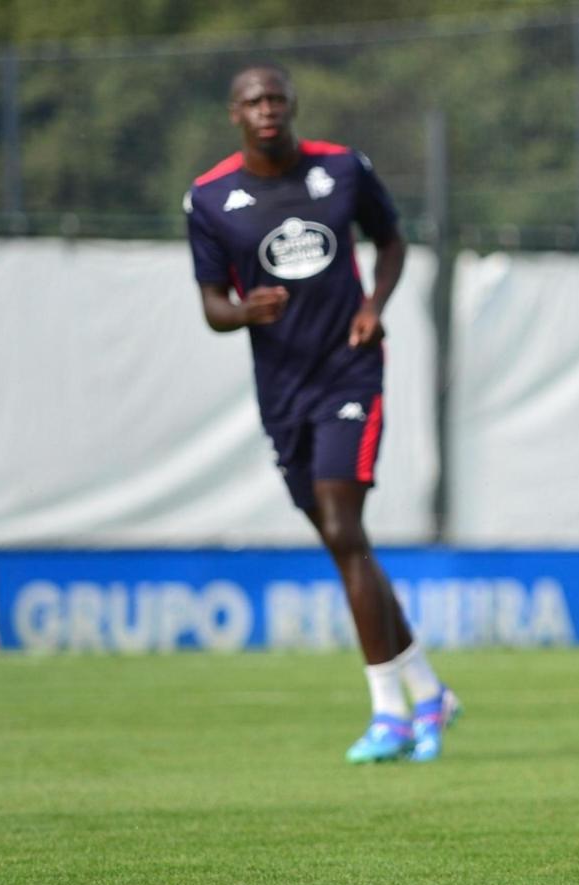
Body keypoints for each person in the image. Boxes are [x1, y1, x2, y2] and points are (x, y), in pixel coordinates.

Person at [185, 64, 459, 764]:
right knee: (347, 547)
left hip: (350, 372)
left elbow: (391, 242)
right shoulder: (212, 198)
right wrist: (244, 310)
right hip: (282, 390)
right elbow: (213, 304)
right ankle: (429, 691)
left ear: (292, 105)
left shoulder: (342, 170)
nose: (267, 109)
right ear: (234, 114)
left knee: (344, 527)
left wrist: (374, 306)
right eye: (253, 100)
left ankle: (388, 714)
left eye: (276, 97)